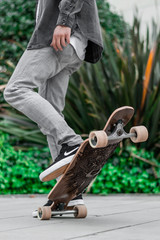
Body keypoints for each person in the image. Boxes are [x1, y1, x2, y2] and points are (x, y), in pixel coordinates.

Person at [3, 0, 104, 216]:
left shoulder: (64, 23)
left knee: (15, 89)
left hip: (60, 37)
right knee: (50, 116)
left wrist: (64, 21)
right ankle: (70, 193)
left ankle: (71, 142)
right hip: (75, 45)